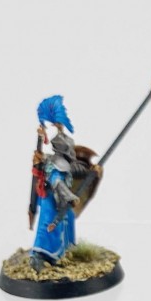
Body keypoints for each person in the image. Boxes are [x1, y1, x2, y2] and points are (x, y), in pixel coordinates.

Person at [30, 95, 99, 270]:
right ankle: (39, 255)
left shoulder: (65, 162)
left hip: (62, 199)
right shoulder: (55, 165)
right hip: (51, 199)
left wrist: (91, 171)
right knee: (49, 225)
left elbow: (76, 169)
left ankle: (66, 251)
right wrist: (70, 197)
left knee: (68, 219)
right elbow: (57, 183)